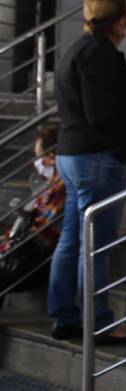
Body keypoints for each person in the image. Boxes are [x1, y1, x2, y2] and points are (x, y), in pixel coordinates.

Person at [50, 0, 126, 345]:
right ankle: (97, 323)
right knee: (95, 244)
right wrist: (123, 149)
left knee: (72, 239)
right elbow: (100, 114)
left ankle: (65, 316)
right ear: (122, 19)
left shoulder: (79, 48)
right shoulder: (99, 53)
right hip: (96, 158)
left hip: (73, 154)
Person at [0, 125, 66, 303]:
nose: (37, 162)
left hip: (36, 259)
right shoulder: (51, 186)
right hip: (27, 251)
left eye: (39, 157)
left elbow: (44, 233)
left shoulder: (62, 190)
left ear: (51, 158)